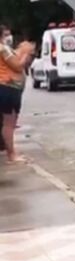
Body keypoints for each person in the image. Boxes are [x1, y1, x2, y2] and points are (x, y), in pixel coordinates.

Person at [0, 26, 35, 163]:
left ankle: (11, 151)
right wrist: (25, 52)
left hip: (10, 88)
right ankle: (11, 154)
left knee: (10, 123)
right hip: (7, 88)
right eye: (6, 34)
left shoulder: (5, 49)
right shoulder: (2, 49)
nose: (9, 37)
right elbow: (18, 65)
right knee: (9, 123)